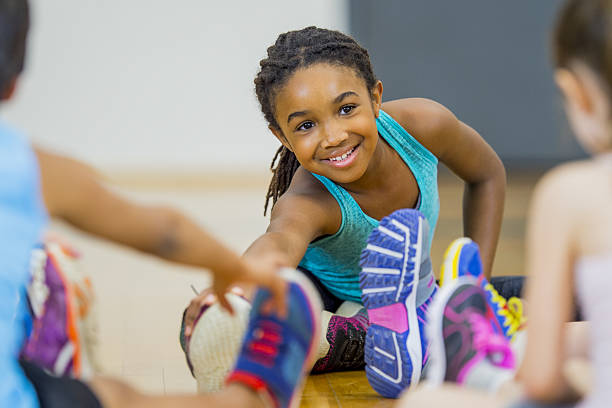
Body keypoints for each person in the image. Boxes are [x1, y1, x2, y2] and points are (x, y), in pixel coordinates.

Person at [1, 1, 321, 407]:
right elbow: (164, 233)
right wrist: (233, 268)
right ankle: (248, 401)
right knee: (120, 399)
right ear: (14, 81)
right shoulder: (28, 169)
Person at [181, 25, 509, 398]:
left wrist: (474, 289)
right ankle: (382, 335)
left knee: (559, 293)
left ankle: (416, 329)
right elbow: (278, 242)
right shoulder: (309, 198)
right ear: (282, 137)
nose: (334, 136)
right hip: (324, 308)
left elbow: (487, 174)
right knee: (217, 323)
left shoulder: (424, 126)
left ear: (376, 97)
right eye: (306, 125)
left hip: (418, 297)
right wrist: (238, 286)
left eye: (347, 109)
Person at [399, 0, 612, 406]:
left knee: (424, 401)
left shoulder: (570, 194)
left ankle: (483, 370)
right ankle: (490, 351)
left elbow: (544, 382)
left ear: (577, 93)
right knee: (545, 342)